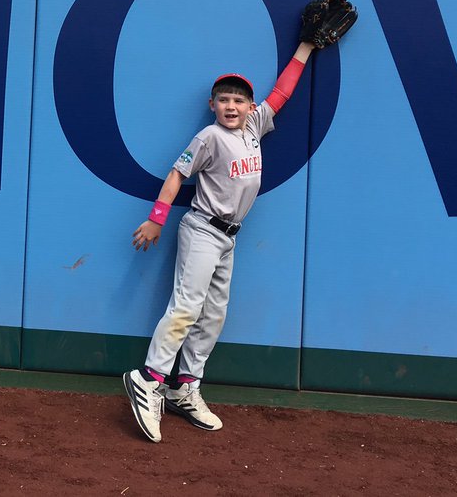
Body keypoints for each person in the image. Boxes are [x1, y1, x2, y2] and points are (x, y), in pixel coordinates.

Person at [123, 40, 318, 441]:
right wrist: (156, 219)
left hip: (229, 237)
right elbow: (178, 174)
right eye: (224, 100)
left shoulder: (253, 127)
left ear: (250, 106)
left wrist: (306, 47)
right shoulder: (209, 136)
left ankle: (184, 387)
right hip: (202, 230)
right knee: (186, 308)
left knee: (213, 316)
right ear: (212, 105)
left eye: (239, 100)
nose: (232, 106)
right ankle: (149, 379)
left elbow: (282, 93)